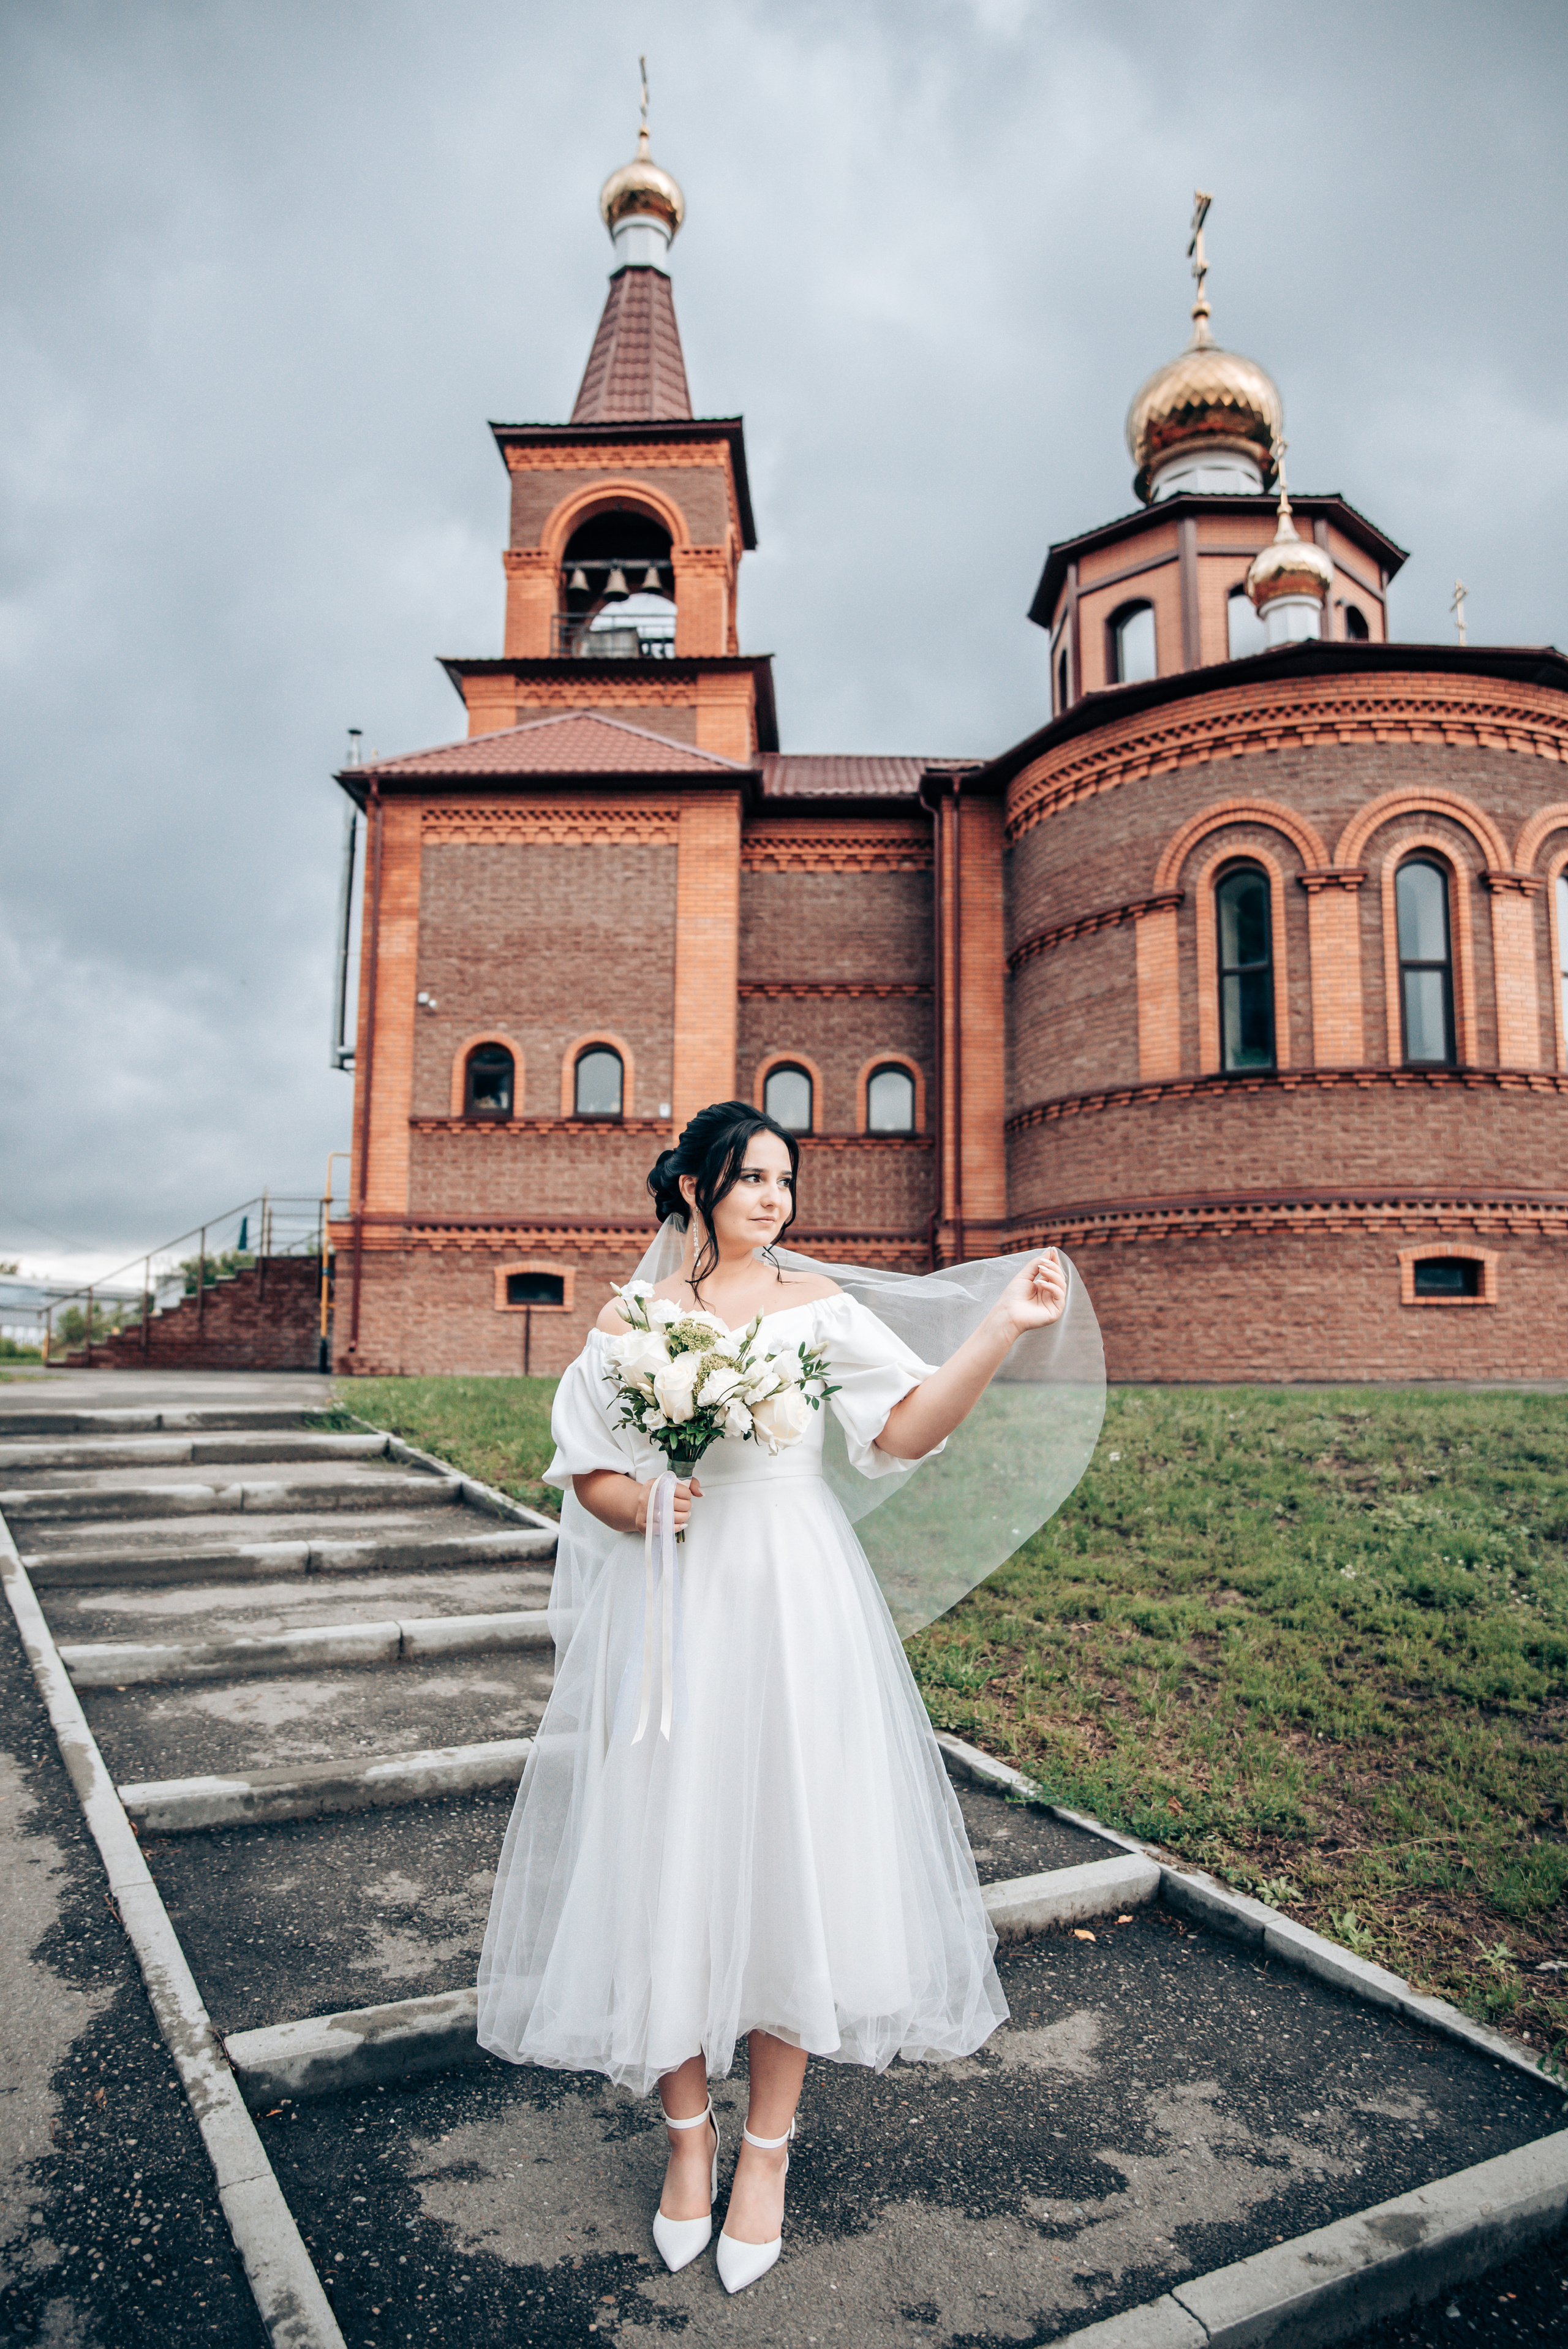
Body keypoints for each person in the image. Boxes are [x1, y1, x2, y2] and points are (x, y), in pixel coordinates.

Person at [478, 1099, 1069, 2294]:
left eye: (783, 1179)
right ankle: (687, 2140)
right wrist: (642, 1503)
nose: (773, 1198)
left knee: (792, 1854)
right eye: (751, 1176)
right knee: (668, 1853)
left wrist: (999, 1330)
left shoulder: (817, 1306)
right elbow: (587, 1470)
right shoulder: (632, 1321)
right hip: (677, 1607)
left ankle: (765, 2152)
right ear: (695, 1186)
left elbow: (903, 1428)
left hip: (796, 1603)